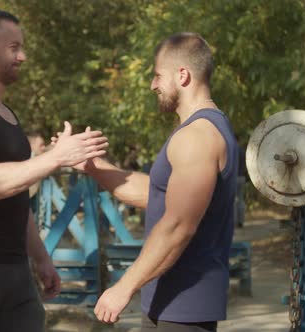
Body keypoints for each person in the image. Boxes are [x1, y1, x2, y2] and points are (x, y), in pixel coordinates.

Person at [0, 9, 108, 332]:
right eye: (14, 47)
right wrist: (55, 158)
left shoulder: (7, 114)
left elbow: (15, 196)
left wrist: (40, 257)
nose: (22, 56)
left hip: (15, 266)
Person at [69, 32, 238, 332]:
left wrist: (124, 288)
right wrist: (93, 166)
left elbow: (178, 226)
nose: (153, 85)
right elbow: (154, 194)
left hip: (185, 307)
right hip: (167, 301)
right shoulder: (195, 132)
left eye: (158, 76)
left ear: (182, 75)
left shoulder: (197, 137)